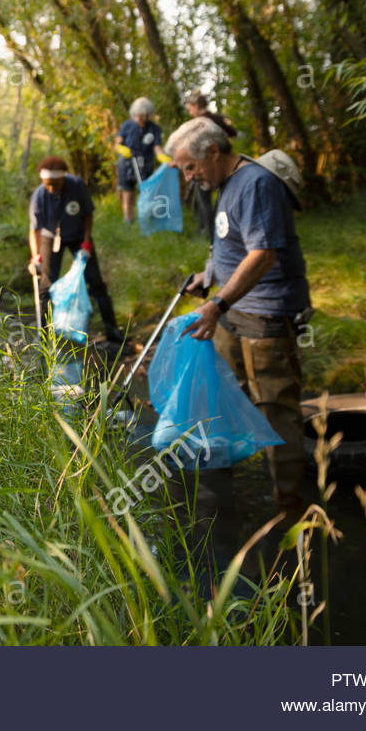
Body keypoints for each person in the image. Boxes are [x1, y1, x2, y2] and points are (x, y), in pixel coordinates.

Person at [166, 116, 311, 518]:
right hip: (233, 310)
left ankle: (287, 508)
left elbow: (262, 255)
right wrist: (208, 277)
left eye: (191, 167)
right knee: (228, 396)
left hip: (264, 315)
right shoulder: (226, 184)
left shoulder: (257, 184)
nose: (190, 177)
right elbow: (233, 243)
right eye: (183, 170)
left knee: (275, 409)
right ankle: (226, 491)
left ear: (213, 152)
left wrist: (216, 304)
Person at [27, 156, 123, 343]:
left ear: (63, 178)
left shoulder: (77, 186)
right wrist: (35, 256)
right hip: (50, 237)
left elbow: (87, 215)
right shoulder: (39, 195)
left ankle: (112, 330)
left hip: (78, 235)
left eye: (55, 184)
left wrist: (86, 243)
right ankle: (45, 335)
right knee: (46, 285)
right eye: (48, 184)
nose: (52, 188)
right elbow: (34, 229)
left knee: (96, 282)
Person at [183, 89, 238, 236]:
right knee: (221, 197)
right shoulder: (216, 118)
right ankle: (213, 229)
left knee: (204, 198)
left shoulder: (198, 123)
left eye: (190, 109)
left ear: (195, 105)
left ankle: (207, 230)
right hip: (223, 163)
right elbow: (233, 132)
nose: (190, 113)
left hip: (206, 164)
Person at [114, 96, 170, 223]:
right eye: (141, 115)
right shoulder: (127, 125)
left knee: (147, 194)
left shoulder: (154, 128)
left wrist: (163, 158)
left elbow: (157, 147)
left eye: (147, 115)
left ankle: (145, 221)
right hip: (127, 165)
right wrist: (122, 149)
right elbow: (117, 144)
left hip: (145, 165)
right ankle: (128, 221)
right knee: (128, 194)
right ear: (136, 113)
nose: (144, 118)